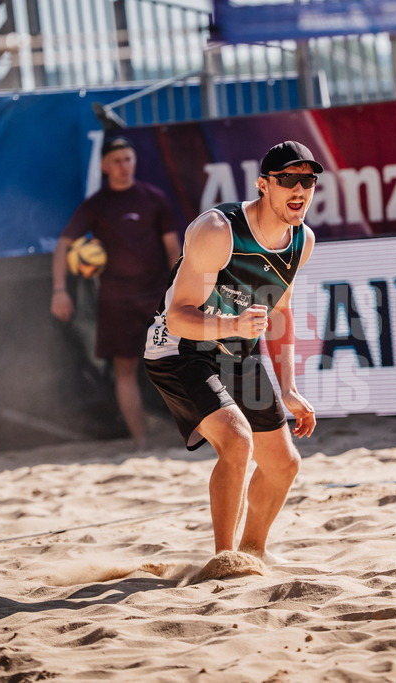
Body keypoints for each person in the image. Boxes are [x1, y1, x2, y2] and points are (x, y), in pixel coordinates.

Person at [143, 140, 321, 560]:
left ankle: (251, 554)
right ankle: (224, 564)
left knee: (284, 465)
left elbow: (281, 311)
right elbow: (177, 318)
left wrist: (289, 388)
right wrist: (232, 325)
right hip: (179, 348)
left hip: (236, 352)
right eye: (288, 179)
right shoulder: (217, 230)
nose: (299, 189)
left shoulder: (301, 240)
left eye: (308, 180)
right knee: (238, 441)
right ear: (263, 185)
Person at [51, 136, 181, 450]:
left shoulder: (153, 198)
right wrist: (59, 290)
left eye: (128, 159)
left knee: (176, 362)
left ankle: (188, 433)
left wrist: (179, 289)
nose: (124, 166)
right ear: (104, 166)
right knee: (125, 370)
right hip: (116, 300)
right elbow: (62, 247)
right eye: (117, 161)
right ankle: (140, 442)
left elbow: (173, 249)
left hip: (156, 296)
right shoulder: (96, 205)